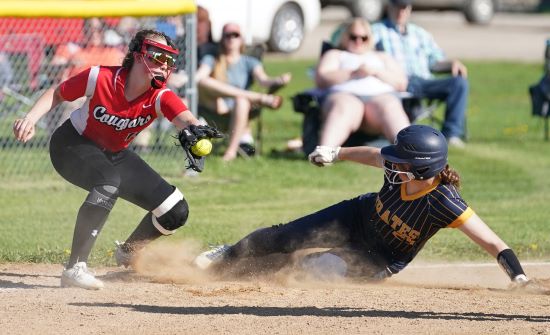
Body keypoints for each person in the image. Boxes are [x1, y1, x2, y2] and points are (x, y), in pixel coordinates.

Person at [194, 125, 539, 290]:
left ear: (423, 169)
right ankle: (227, 255)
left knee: (305, 269)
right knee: (285, 236)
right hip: (356, 217)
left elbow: (495, 244)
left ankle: (242, 278)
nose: (391, 163)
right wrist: (336, 152)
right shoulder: (399, 174)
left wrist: (518, 277)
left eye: (400, 161)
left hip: (377, 259)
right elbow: (373, 155)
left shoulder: (446, 203)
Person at [12, 29, 218, 290]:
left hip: (114, 153)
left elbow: (184, 117)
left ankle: (130, 251)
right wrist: (30, 118)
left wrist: (193, 128)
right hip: (71, 144)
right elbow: (58, 93)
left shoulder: (159, 95)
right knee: (108, 182)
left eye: (168, 61)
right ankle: (74, 268)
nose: (162, 66)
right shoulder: (100, 77)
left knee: (175, 211)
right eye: (156, 57)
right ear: (136, 55)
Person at [372, 0, 469, 147]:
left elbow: (435, 62)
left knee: (459, 83)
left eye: (404, 8)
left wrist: (452, 63)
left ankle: (451, 134)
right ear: (389, 7)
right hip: (396, 82)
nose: (400, 12)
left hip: (424, 82)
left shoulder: (420, 34)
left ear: (409, 9)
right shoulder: (376, 31)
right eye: (397, 8)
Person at [196, 22, 291, 161]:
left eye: (236, 35)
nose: (231, 38)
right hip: (214, 108)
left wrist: (278, 80)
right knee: (203, 82)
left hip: (239, 111)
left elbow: (264, 80)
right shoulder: (212, 59)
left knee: (241, 100)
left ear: (241, 39)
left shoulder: (250, 61)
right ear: (222, 38)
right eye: (227, 35)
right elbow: (199, 77)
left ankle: (231, 152)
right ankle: (258, 97)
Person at [315, 18, 410, 148]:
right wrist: (353, 73)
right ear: (345, 37)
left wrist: (376, 72)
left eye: (363, 38)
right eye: (353, 37)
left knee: (390, 107)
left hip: (380, 98)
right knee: (343, 107)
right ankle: (324, 152)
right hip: (345, 96)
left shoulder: (381, 57)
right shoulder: (335, 54)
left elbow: (401, 83)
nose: (358, 41)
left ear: (369, 38)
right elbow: (321, 78)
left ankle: (411, 152)